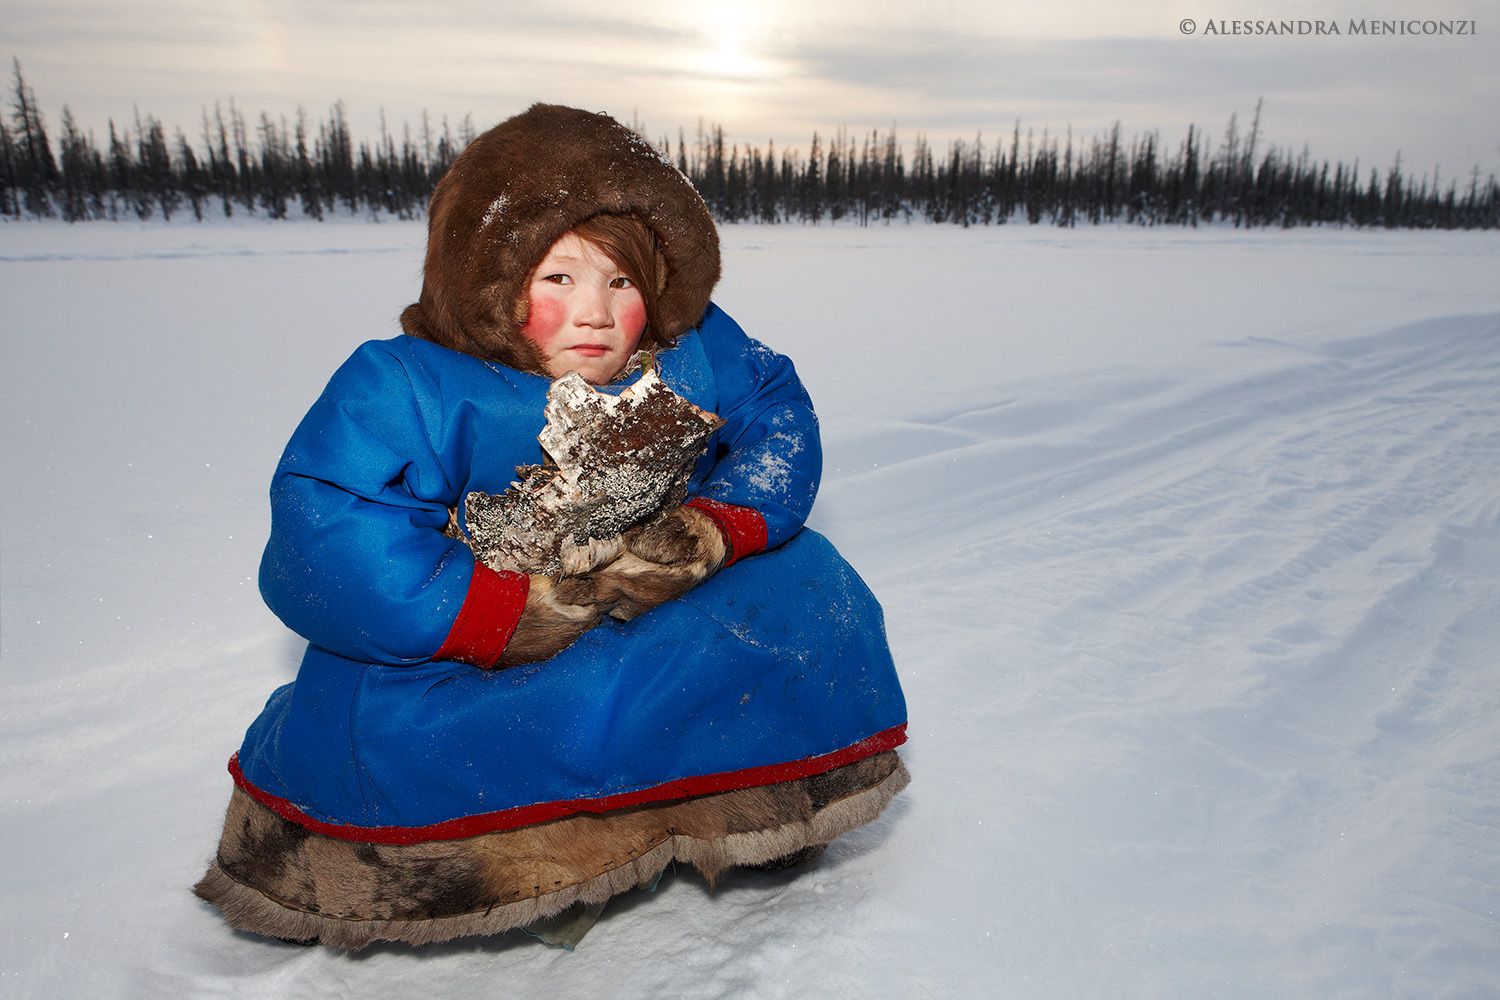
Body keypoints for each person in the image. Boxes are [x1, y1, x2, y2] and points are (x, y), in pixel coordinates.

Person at [194, 104, 908, 950]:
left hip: (646, 598)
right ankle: (519, 855)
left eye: (622, 282)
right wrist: (501, 613)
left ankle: (757, 796)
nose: (596, 313)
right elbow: (330, 532)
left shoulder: (694, 350)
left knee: (807, 593)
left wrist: (713, 527)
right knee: (404, 736)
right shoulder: (411, 385)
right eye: (558, 279)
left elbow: (775, 415)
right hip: (481, 634)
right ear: (492, 280)